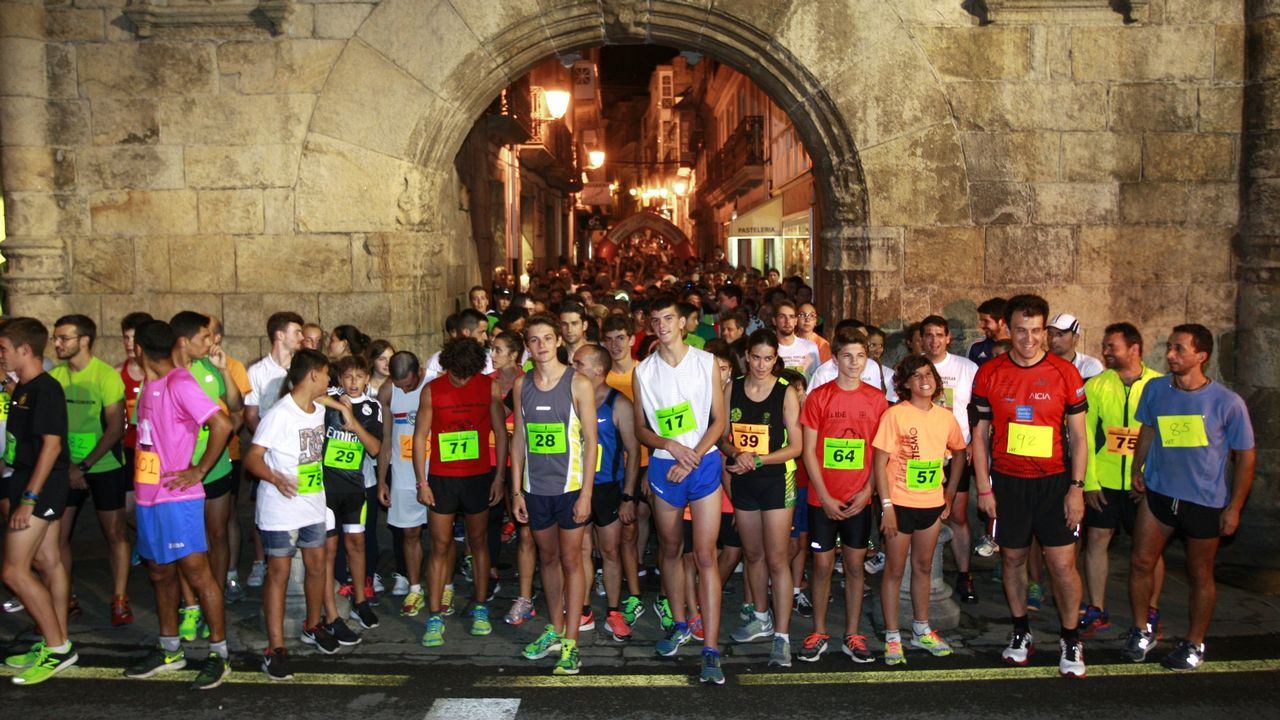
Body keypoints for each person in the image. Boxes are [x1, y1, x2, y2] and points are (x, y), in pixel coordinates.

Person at [970, 294, 1089, 678]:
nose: (1028, 339)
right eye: (1020, 331)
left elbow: (1080, 437)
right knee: (1013, 559)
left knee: (1061, 565)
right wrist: (984, 489)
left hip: (1055, 483)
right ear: (1008, 328)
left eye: (1036, 331)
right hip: (1008, 482)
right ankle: (1021, 631)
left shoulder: (1065, 374)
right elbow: (980, 434)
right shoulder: (989, 373)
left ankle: (1071, 638)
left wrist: (1076, 488)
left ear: (1045, 331)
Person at [1124, 324, 1255, 671]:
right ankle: (1141, 630)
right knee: (1140, 562)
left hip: (1204, 501)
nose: (1170, 355)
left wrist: (1235, 507)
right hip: (1160, 493)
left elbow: (1246, 456)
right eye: (1169, 347)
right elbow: (1148, 428)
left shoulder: (1228, 403)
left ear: (1202, 356)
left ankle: (1194, 642)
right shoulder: (1155, 389)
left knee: (1199, 572)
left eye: (1179, 349)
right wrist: (1138, 466)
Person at [122, 320, 233, 689]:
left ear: (140, 349)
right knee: (159, 573)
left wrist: (199, 470)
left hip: (176, 497)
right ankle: (170, 648)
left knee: (198, 574)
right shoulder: (149, 384)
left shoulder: (180, 382)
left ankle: (219, 653)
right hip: (147, 495)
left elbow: (222, 424)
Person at [633, 295, 728, 684]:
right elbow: (641, 428)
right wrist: (670, 447)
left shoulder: (705, 362)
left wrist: (691, 454)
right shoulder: (644, 371)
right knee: (670, 549)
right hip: (663, 464)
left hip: (702, 463)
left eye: (668, 318)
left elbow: (719, 421)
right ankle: (680, 624)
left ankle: (711, 648)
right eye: (655, 320)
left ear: (683, 322)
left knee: (705, 554)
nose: (662, 325)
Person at [511, 314, 598, 676]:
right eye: (534, 340)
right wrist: (516, 490)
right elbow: (519, 439)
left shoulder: (578, 383)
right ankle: (555, 628)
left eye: (548, 338)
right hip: (536, 490)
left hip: (570, 488)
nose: (542, 345)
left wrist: (586, 495)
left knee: (571, 561)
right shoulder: (520, 386)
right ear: (527, 346)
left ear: (559, 341)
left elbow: (591, 441)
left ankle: (572, 643)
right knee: (547, 561)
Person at [796, 330, 887, 664]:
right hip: (823, 499)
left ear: (868, 359)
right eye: (847, 356)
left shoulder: (877, 400)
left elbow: (880, 453)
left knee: (854, 566)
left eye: (860, 356)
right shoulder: (819, 397)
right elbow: (808, 452)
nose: (854, 363)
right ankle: (819, 631)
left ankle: (853, 633)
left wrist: (868, 492)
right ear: (834, 359)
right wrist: (823, 496)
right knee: (820, 566)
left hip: (859, 499)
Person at [244, 349, 334, 680]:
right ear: (312, 375)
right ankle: (276, 646)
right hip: (280, 509)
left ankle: (313, 625)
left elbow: (333, 404)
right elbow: (253, 457)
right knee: (278, 573)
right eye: (326, 373)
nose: (329, 379)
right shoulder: (279, 415)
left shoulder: (317, 410)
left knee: (316, 566)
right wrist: (275, 477)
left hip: (312, 504)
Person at [872, 355, 967, 665]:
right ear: (905, 384)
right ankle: (892, 635)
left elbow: (960, 453)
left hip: (931, 504)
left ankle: (922, 629)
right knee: (895, 570)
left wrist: (949, 495)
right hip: (899, 504)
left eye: (929, 374)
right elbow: (879, 462)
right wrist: (886, 507)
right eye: (916, 376)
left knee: (924, 568)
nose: (924, 380)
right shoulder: (895, 415)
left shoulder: (945, 417)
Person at [416, 337, 508, 646]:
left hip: (478, 476)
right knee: (440, 546)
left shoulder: (489, 387)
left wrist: (499, 478)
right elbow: (419, 437)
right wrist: (422, 482)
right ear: (447, 366)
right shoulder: (432, 390)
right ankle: (433, 615)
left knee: (479, 543)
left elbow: (500, 432)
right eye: (457, 374)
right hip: (442, 477)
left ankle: (480, 606)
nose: (462, 379)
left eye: (468, 374)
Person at [0, 318, 77, 686]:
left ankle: (58, 647)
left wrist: (28, 499)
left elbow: (52, 446)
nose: (0, 355)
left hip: (39, 488)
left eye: (3, 349)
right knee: (48, 561)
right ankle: (57, 640)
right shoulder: (23, 388)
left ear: (24, 350)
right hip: (27, 481)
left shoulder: (46, 389)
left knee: (13, 571)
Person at [720, 330, 802, 668]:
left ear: (776, 360)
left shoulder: (785, 392)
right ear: (746, 357)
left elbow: (796, 446)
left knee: (777, 558)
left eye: (768, 359)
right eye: (756, 357)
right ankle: (760, 616)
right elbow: (721, 436)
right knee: (752, 554)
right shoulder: (732, 387)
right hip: (743, 479)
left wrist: (758, 459)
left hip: (775, 480)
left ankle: (782, 637)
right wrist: (737, 453)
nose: (761, 365)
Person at [1079, 322, 1165, 638]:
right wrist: (1089, 482)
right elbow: (1085, 436)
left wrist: (1154, 480)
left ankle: (1151, 610)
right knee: (1097, 541)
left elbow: (1166, 438)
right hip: (1105, 481)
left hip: (1146, 485)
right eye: (1104, 346)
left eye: (1110, 346)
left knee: (1149, 550)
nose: (1104, 351)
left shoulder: (1160, 385)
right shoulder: (1096, 385)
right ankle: (1096, 608)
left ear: (1134, 348)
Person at [49, 315, 130, 625]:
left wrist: (84, 466)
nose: (57, 344)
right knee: (57, 536)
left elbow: (114, 428)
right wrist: (70, 466)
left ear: (84, 340)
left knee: (115, 533)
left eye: (64, 338)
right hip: (66, 467)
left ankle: (120, 598)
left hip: (103, 465)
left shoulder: (106, 376)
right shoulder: (55, 377)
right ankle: (65, 597)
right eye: (55, 338)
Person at [169, 311, 243, 642]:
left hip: (217, 466)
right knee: (187, 540)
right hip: (182, 469)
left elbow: (236, 405)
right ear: (184, 340)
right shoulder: (167, 374)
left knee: (216, 533)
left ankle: (214, 593)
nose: (210, 341)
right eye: (204, 336)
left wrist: (225, 370)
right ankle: (191, 605)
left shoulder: (210, 366)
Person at [571, 344, 641, 642]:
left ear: (598, 369)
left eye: (579, 363)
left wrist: (628, 496)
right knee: (581, 550)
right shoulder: (570, 398)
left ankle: (613, 611)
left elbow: (634, 452)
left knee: (610, 552)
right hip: (576, 486)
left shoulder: (619, 403)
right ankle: (584, 609)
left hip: (608, 489)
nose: (573, 368)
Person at [318, 355, 384, 639]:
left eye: (359, 376)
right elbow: (310, 397)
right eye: (348, 377)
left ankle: (360, 600)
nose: (354, 383)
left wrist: (352, 421)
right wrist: (337, 405)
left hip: (356, 487)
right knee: (329, 551)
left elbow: (374, 449)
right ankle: (330, 610)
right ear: (339, 379)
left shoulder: (372, 407)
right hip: (326, 489)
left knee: (357, 544)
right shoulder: (328, 399)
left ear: (367, 378)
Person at [917, 315, 981, 604]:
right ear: (921, 339)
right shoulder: (913, 366)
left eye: (939, 334)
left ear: (948, 338)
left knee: (956, 513)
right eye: (928, 335)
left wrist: (971, 446)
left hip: (956, 452)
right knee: (920, 515)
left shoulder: (966, 368)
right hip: (921, 454)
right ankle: (922, 572)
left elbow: (978, 412)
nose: (934, 340)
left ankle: (964, 574)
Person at [244, 311, 306, 589]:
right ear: (279, 335)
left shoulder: (303, 367)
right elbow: (251, 414)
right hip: (269, 451)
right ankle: (261, 562)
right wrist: (267, 443)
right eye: (297, 332)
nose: (301, 337)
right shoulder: (257, 372)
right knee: (263, 506)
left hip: (299, 453)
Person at [376, 352, 437, 614]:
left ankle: (443, 586)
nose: (405, 389)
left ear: (420, 371)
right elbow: (386, 440)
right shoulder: (388, 391)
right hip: (403, 473)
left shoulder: (435, 384)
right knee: (409, 533)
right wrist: (382, 481)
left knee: (440, 535)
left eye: (409, 385)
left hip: (435, 470)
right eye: (400, 385)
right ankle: (414, 589)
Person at [773, 300, 820, 383]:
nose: (787, 321)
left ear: (795, 321)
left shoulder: (810, 347)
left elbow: (817, 379)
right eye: (782, 316)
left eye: (791, 316)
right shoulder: (769, 348)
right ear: (774, 321)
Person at [1048, 313, 1105, 380]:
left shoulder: (1089, 366)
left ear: (1075, 338)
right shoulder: (1038, 363)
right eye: (1050, 334)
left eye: (1060, 334)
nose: (1053, 340)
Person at [968, 297, 1009, 367]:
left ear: (1002, 322)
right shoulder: (977, 347)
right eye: (981, 321)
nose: (981, 326)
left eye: (986, 321)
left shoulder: (1019, 345)